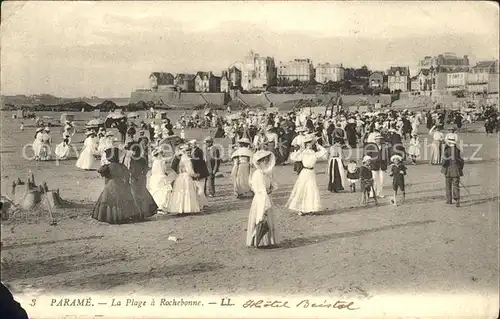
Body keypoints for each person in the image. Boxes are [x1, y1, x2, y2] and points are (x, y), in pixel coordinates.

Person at [92, 147, 142, 224]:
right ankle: (124, 216)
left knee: (110, 202)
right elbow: (127, 175)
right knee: (123, 200)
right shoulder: (122, 166)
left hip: (110, 185)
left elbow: (101, 171)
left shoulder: (107, 166)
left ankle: (110, 217)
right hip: (121, 184)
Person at [287, 135, 328, 216]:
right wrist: (299, 150)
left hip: (311, 172)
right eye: (307, 144)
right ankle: (300, 209)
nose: (309, 146)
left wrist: (318, 145)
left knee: (311, 189)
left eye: (310, 144)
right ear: (305, 145)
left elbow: (324, 151)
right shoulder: (303, 153)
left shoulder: (314, 153)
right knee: (302, 189)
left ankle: (311, 208)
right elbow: (293, 157)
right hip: (304, 172)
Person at [246, 150, 278, 248]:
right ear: (259, 162)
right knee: (260, 217)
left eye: (267, 160)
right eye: (263, 160)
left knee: (268, 219)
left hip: (267, 197)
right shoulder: (257, 174)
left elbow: (272, 184)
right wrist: (265, 193)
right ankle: (257, 240)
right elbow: (258, 189)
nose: (266, 162)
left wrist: (271, 188)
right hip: (260, 198)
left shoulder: (267, 173)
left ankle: (269, 241)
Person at [167, 145, 201, 214]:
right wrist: (195, 175)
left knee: (180, 193)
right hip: (186, 177)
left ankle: (179, 208)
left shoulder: (181, 159)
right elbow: (190, 171)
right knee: (188, 192)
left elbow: (178, 169)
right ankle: (187, 208)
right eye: (188, 152)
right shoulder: (188, 160)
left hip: (180, 177)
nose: (189, 153)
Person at [128, 145, 157, 218]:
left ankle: (139, 213)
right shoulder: (141, 159)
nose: (133, 153)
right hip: (139, 178)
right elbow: (145, 169)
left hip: (136, 179)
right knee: (141, 194)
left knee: (136, 195)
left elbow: (131, 169)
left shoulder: (133, 159)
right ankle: (142, 212)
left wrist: (137, 175)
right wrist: (142, 175)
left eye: (134, 151)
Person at [364, 132, 389, 198]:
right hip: (374, 165)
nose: (379, 140)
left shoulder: (383, 146)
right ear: (375, 140)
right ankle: (372, 193)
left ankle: (380, 193)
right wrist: (368, 163)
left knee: (382, 180)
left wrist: (386, 164)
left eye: (380, 139)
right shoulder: (372, 147)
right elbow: (368, 156)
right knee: (374, 179)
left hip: (382, 165)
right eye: (377, 139)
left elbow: (386, 156)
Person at [441, 135, 464, 207]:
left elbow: (444, 162)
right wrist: (460, 168)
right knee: (456, 186)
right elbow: (461, 161)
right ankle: (457, 200)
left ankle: (449, 200)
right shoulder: (457, 150)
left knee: (448, 186)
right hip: (456, 170)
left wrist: (443, 166)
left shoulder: (447, 150)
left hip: (448, 171)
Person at [148, 147, 173, 212]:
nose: (162, 155)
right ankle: (162, 206)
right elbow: (164, 170)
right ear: (159, 155)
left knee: (156, 191)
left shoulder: (154, 162)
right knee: (163, 191)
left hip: (154, 178)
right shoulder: (162, 162)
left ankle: (157, 205)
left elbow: (153, 171)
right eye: (161, 154)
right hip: (161, 177)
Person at [188, 140, 209, 209]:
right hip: (198, 172)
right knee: (198, 189)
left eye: (191, 144)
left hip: (200, 172)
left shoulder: (198, 151)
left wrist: (190, 160)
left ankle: (202, 204)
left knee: (200, 189)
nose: (190, 146)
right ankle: (204, 203)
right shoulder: (194, 151)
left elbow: (197, 161)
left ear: (194, 144)